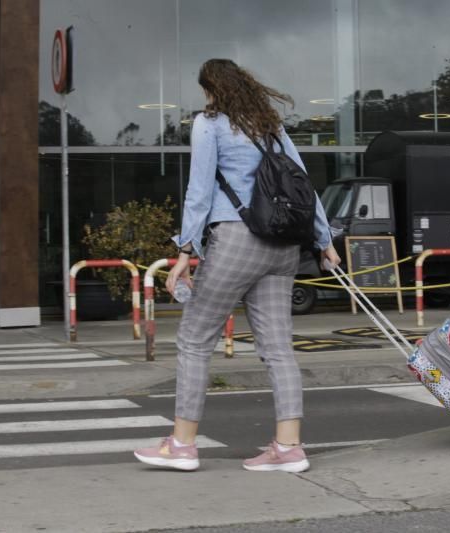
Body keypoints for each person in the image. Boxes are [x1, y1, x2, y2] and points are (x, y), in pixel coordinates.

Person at [134, 59, 340, 472]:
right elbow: (303, 184)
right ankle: (288, 448)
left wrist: (186, 252)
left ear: (213, 90)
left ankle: (182, 445)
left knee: (194, 339)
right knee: (279, 350)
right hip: (283, 248)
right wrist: (324, 241)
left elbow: (199, 189)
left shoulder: (210, 124)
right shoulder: (271, 127)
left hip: (237, 240)